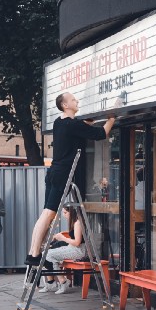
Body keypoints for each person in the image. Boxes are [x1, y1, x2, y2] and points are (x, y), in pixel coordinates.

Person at [25, 92, 116, 265]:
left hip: (53, 172)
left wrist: (87, 123)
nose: (77, 101)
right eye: (73, 100)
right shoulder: (72, 124)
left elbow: (81, 128)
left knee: (45, 214)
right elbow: (101, 133)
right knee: (48, 214)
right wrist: (111, 117)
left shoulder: (59, 123)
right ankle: (35, 254)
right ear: (65, 105)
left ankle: (33, 252)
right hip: (63, 174)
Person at [40, 207, 85, 294]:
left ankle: (62, 281)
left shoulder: (78, 223)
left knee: (48, 255)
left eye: (65, 213)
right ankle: (55, 281)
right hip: (72, 248)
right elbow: (74, 238)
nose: (64, 215)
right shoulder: (74, 222)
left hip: (78, 251)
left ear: (71, 212)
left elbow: (77, 242)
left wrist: (63, 238)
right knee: (44, 254)